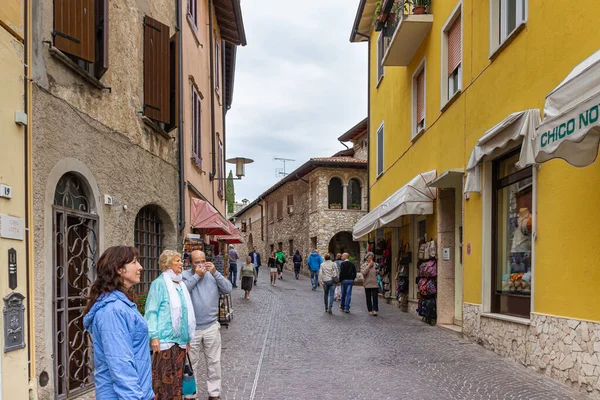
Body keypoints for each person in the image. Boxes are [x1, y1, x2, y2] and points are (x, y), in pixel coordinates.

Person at [83, 246, 154, 400]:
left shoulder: (121, 304)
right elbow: (120, 365)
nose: (140, 267)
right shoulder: (113, 311)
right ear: (119, 269)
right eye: (134, 262)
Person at [145, 250, 196, 399]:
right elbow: (151, 311)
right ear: (168, 264)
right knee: (163, 381)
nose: (181, 263)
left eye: (181, 260)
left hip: (180, 342)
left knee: (178, 381)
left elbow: (186, 314)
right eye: (177, 260)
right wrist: (154, 336)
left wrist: (187, 338)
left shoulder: (181, 285)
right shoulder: (159, 284)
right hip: (164, 341)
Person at [183, 250, 233, 400]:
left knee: (214, 362)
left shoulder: (213, 275)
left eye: (202, 261)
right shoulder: (185, 275)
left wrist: (216, 273)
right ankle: (190, 394)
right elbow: (182, 290)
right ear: (190, 263)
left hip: (211, 325)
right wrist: (197, 276)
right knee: (191, 364)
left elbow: (228, 289)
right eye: (197, 262)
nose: (200, 264)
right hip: (192, 329)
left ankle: (214, 393)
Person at [361, 252, 381, 316]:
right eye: (369, 258)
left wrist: (379, 272)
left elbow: (381, 274)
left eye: (372, 257)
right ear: (367, 258)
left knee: (375, 297)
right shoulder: (364, 265)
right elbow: (364, 273)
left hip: (375, 283)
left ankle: (375, 310)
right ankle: (370, 310)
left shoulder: (376, 265)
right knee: (368, 297)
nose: (371, 259)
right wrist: (368, 266)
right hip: (367, 284)